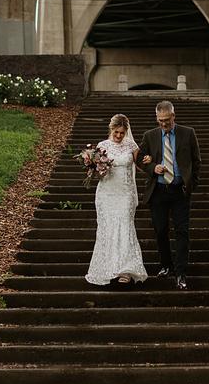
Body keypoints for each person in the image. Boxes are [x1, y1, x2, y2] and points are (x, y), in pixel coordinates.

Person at [138, 100, 201, 290]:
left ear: (174, 116)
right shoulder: (150, 135)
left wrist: (191, 184)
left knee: (182, 232)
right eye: (160, 120)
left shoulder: (187, 133)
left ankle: (180, 272)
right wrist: (152, 167)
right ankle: (166, 265)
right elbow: (140, 158)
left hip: (179, 190)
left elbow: (196, 160)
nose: (163, 124)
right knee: (160, 230)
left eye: (166, 119)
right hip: (158, 191)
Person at [84, 114, 148, 286]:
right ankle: (110, 267)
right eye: (116, 132)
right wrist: (94, 167)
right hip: (106, 193)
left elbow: (141, 164)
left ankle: (126, 270)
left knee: (125, 226)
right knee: (108, 228)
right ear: (111, 129)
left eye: (122, 132)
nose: (119, 136)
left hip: (125, 193)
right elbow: (96, 172)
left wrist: (152, 164)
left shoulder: (131, 145)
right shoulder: (101, 146)